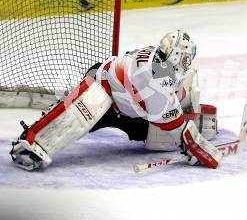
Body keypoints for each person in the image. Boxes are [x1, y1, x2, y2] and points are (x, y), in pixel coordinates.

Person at [10, 30, 222, 171]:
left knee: (158, 141)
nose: (186, 63)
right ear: (175, 56)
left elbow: (172, 100)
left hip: (130, 111)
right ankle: (32, 141)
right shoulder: (155, 75)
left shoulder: (164, 66)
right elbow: (172, 122)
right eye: (185, 58)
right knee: (78, 118)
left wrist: (191, 111)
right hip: (104, 91)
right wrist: (195, 144)